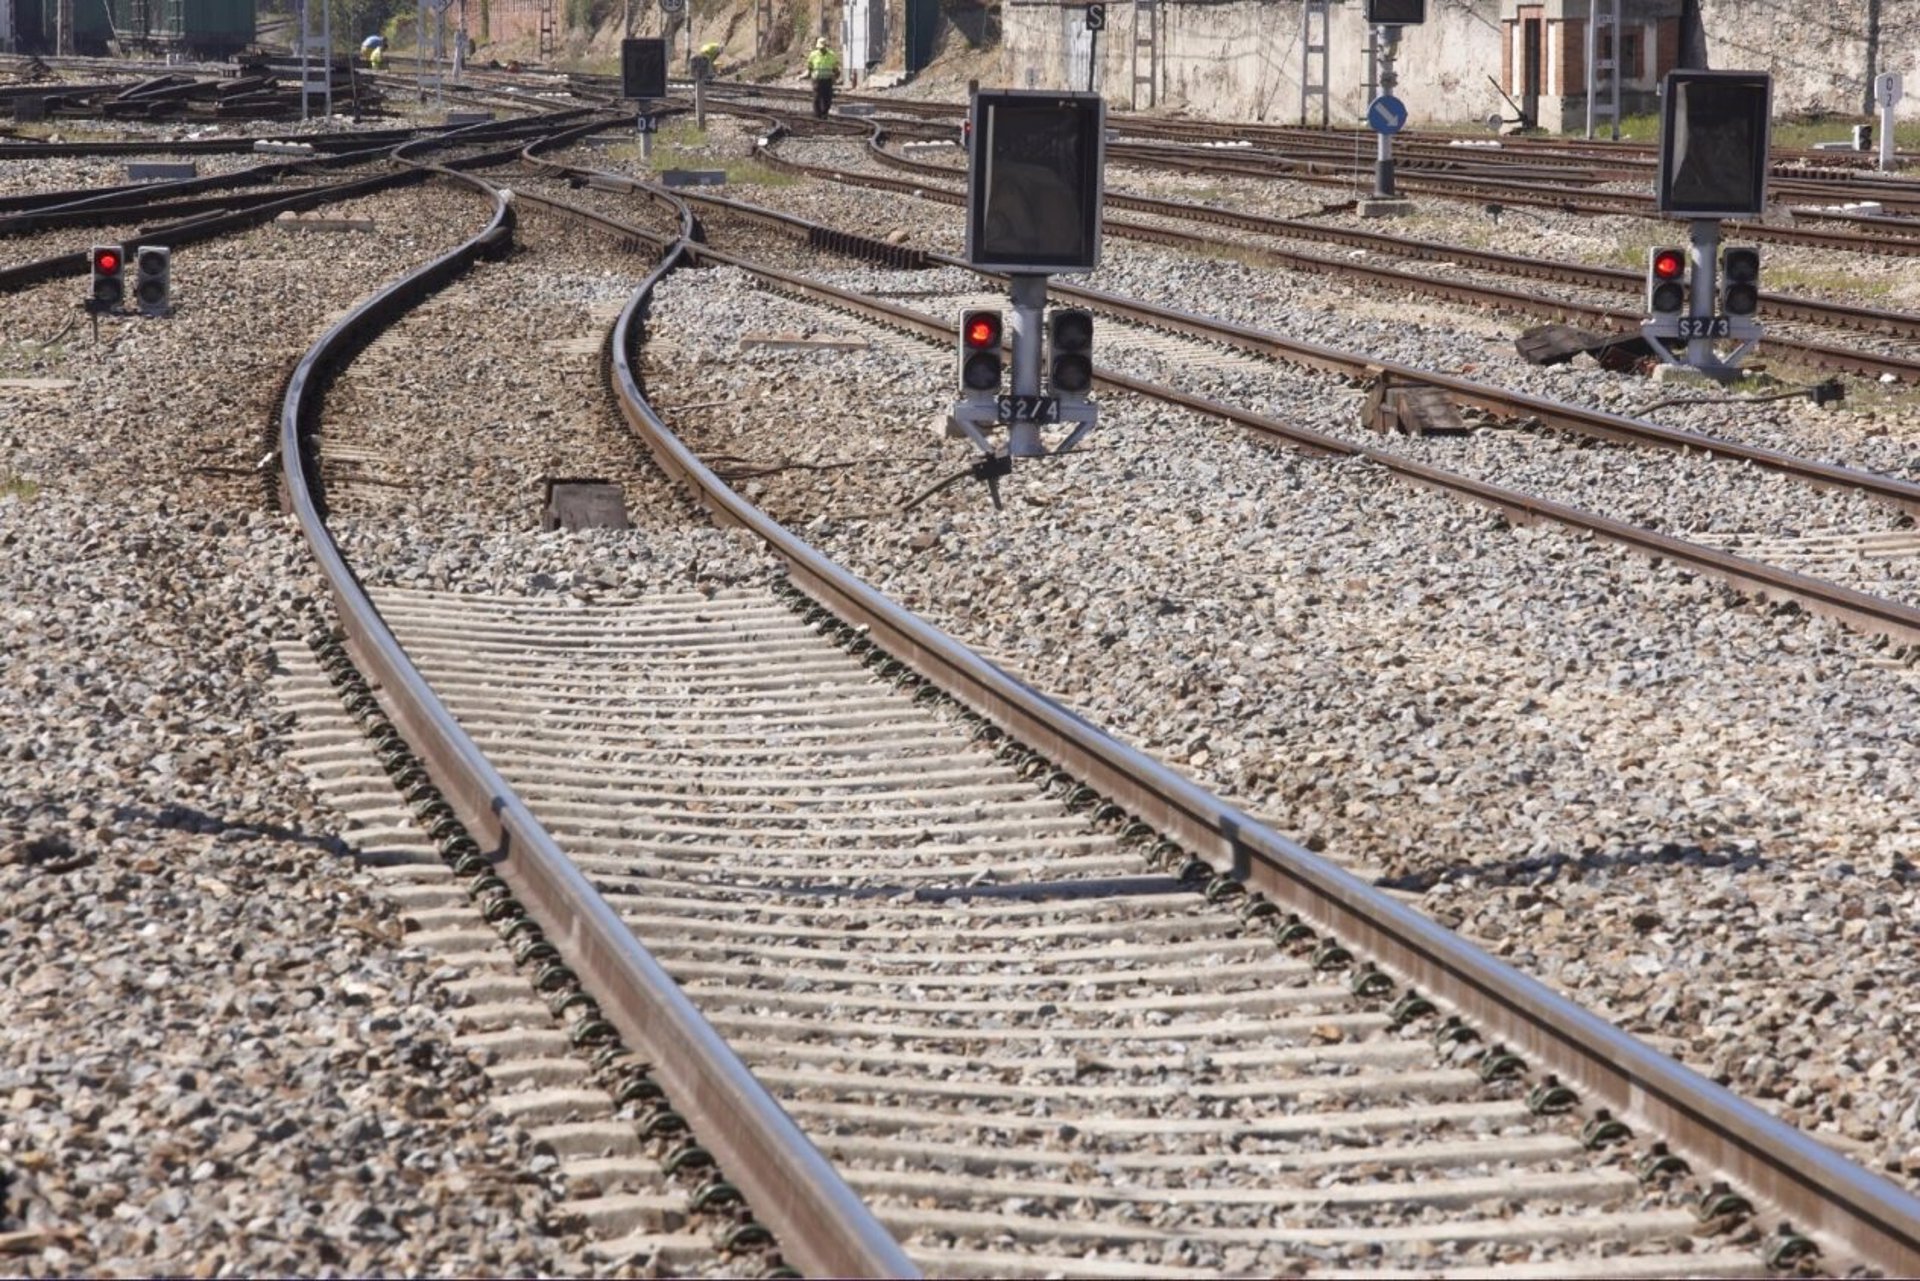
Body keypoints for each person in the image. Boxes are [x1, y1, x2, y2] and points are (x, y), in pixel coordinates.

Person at [805, 37, 840, 118]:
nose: (821, 49)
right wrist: (808, 75)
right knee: (817, 97)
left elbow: (835, 68)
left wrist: (836, 77)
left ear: (826, 46)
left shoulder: (831, 55)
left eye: (822, 48)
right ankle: (817, 115)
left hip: (827, 80)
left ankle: (825, 113)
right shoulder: (813, 55)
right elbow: (810, 67)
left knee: (827, 98)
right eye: (820, 48)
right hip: (817, 80)